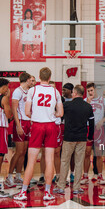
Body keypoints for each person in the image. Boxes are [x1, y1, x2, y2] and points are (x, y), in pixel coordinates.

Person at [14, 67, 63, 201]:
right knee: (49, 160)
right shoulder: (55, 91)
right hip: (51, 126)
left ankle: (23, 192)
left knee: (31, 160)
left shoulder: (32, 90)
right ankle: (47, 192)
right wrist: (52, 114)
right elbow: (61, 113)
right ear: (49, 76)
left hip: (37, 125)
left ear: (39, 77)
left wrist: (37, 114)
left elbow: (27, 112)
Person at [54, 85, 94, 195]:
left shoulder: (66, 105)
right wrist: (90, 136)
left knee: (64, 161)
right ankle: (76, 188)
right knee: (79, 162)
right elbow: (91, 123)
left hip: (69, 137)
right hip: (82, 138)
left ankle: (61, 186)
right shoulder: (88, 106)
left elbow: (60, 117)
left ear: (74, 93)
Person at [4, 72, 32, 188]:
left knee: (24, 152)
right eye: (31, 80)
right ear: (26, 80)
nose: (32, 82)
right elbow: (14, 109)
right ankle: (9, 176)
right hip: (20, 121)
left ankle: (18, 176)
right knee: (19, 151)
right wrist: (18, 125)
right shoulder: (17, 91)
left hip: (28, 122)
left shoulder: (29, 92)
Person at [81, 83, 105, 185]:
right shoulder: (85, 101)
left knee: (98, 154)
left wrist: (102, 121)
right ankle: (85, 175)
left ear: (95, 90)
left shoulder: (103, 100)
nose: (90, 93)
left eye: (91, 90)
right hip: (88, 128)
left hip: (99, 129)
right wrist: (87, 104)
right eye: (88, 91)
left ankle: (99, 175)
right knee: (87, 153)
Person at [62, 83, 76, 183]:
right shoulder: (61, 100)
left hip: (72, 129)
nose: (63, 92)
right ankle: (59, 174)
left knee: (72, 154)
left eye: (65, 90)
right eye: (62, 90)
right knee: (59, 153)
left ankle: (72, 173)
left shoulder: (75, 101)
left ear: (71, 91)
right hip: (62, 127)